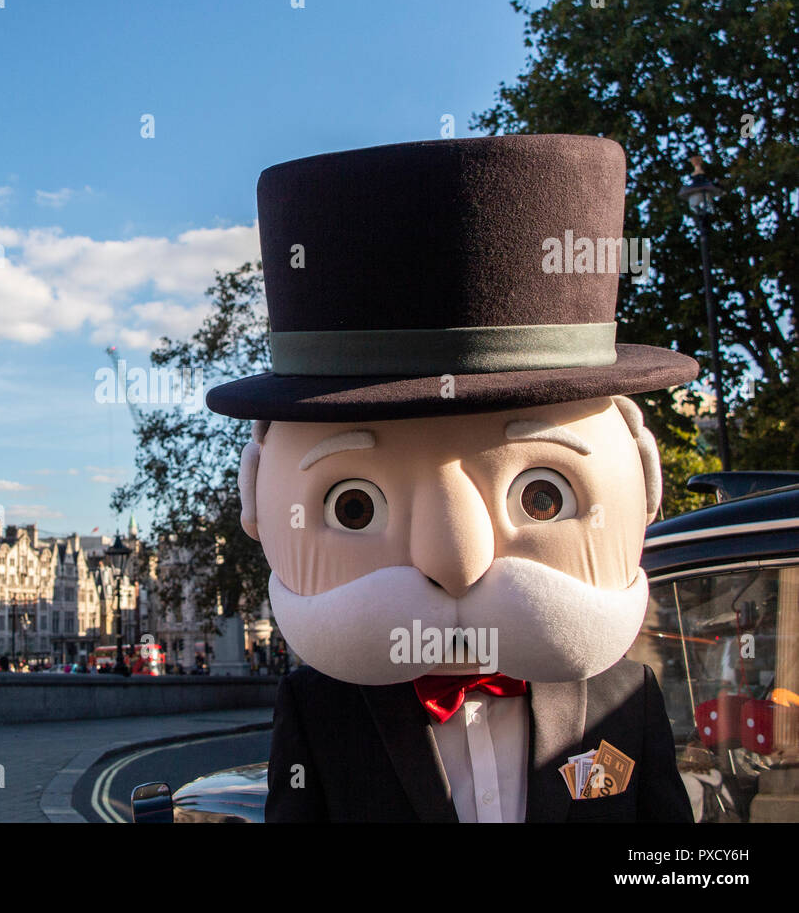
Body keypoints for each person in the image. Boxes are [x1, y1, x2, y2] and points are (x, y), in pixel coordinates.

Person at [207, 136, 695, 822]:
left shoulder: (624, 697)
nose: (456, 561)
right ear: (256, 491)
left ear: (643, 481)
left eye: (542, 495)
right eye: (354, 505)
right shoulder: (321, 709)